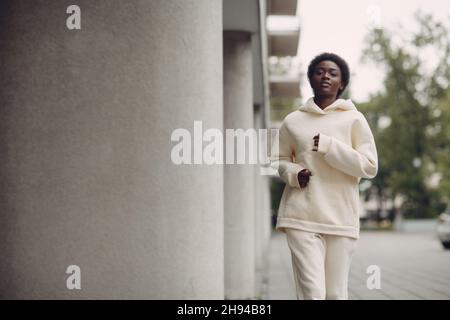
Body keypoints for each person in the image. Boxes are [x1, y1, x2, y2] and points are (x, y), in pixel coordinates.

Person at [270, 52, 378, 300]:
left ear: (342, 83)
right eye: (319, 71)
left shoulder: (354, 119)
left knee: (336, 294)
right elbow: (279, 160)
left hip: (341, 217)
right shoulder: (293, 121)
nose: (325, 76)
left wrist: (331, 147)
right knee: (313, 293)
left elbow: (369, 166)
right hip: (301, 215)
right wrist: (295, 174)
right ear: (310, 79)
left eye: (332, 73)